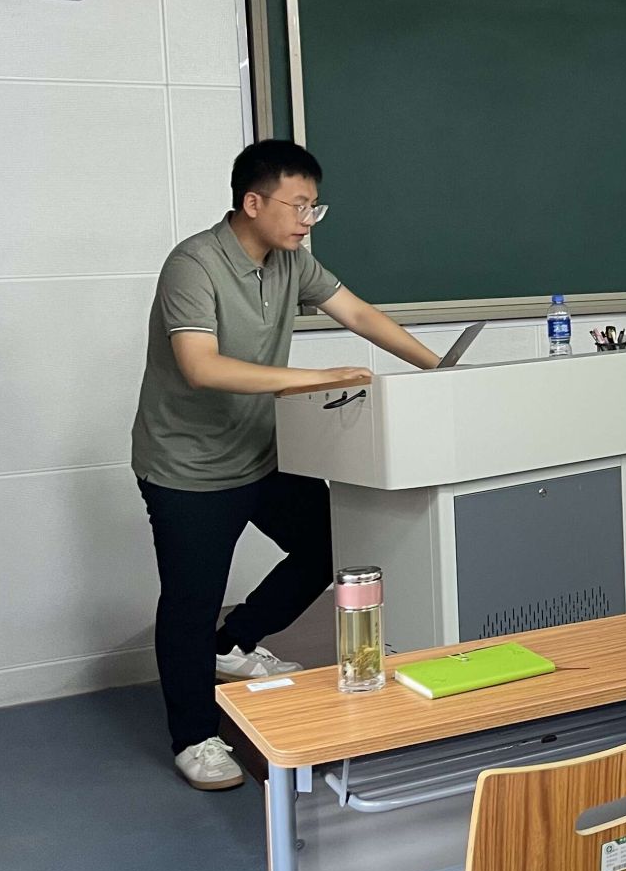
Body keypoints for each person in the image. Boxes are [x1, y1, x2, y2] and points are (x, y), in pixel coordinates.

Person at [133, 140, 441, 790]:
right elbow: (201, 366)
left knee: (332, 544)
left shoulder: (290, 261)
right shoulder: (193, 265)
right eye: (298, 205)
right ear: (253, 203)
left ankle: (234, 644)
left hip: (262, 451)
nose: (308, 220)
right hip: (188, 467)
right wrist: (316, 378)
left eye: (314, 207)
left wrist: (440, 369)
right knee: (190, 603)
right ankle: (194, 737)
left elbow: (357, 313)